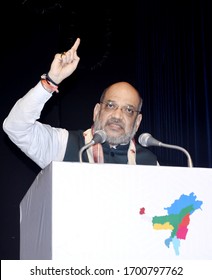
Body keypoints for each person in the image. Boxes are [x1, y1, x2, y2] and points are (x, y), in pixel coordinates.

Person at [3, 38, 158, 169]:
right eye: (110, 105)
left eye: (128, 110)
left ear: (137, 122)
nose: (117, 115)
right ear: (97, 111)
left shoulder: (150, 163)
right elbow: (16, 127)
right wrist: (50, 81)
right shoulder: (64, 144)